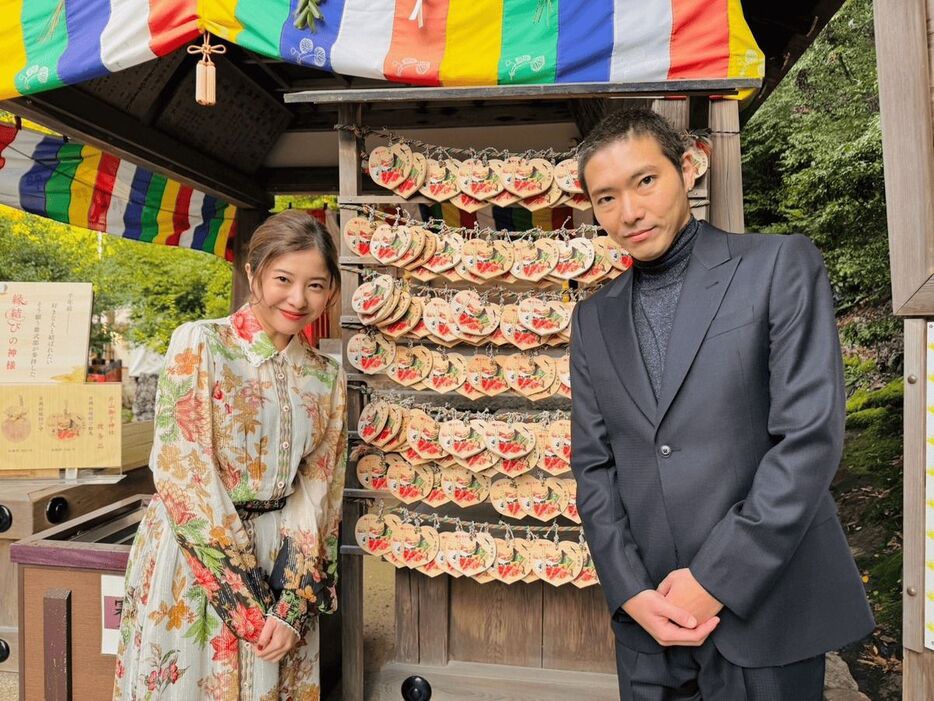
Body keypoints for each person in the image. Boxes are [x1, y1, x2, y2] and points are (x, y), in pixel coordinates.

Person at [569, 108, 874, 700]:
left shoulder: (777, 265)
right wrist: (629, 588)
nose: (628, 212)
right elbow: (594, 465)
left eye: (645, 181)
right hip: (649, 620)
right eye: (605, 198)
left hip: (765, 607)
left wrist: (714, 578)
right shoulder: (593, 317)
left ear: (688, 167)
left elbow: (808, 438)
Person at [113, 210, 347, 700]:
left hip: (284, 558)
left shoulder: (326, 374)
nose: (298, 299)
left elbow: (322, 488)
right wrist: (247, 603)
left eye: (316, 285)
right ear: (253, 272)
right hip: (197, 555)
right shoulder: (202, 343)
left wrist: (291, 606)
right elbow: (184, 475)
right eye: (284, 279)